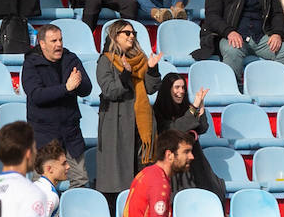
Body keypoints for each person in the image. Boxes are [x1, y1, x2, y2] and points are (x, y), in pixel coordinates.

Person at [96, 19, 162, 200]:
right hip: (116, 125)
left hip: (140, 124)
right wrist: (125, 74)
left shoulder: (141, 59)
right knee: (117, 179)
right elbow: (110, 91)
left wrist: (152, 69)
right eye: (127, 33)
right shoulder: (106, 60)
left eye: (133, 33)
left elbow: (151, 88)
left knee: (141, 175)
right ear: (115, 36)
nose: (131, 36)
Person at [22, 25, 93, 188]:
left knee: (80, 180)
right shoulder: (31, 63)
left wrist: (77, 84)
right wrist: (66, 88)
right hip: (44, 135)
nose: (59, 44)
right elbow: (36, 96)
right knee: (42, 184)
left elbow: (86, 89)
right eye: (53, 41)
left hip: (71, 132)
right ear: (42, 44)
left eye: (60, 40)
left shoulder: (71, 59)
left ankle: (76, 213)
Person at [153, 72, 226, 204]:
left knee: (211, 188)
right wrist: (194, 108)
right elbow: (174, 128)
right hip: (174, 161)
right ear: (168, 89)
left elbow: (202, 128)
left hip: (194, 160)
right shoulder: (158, 111)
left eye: (183, 88)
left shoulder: (187, 108)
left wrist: (201, 108)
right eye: (176, 87)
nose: (181, 91)